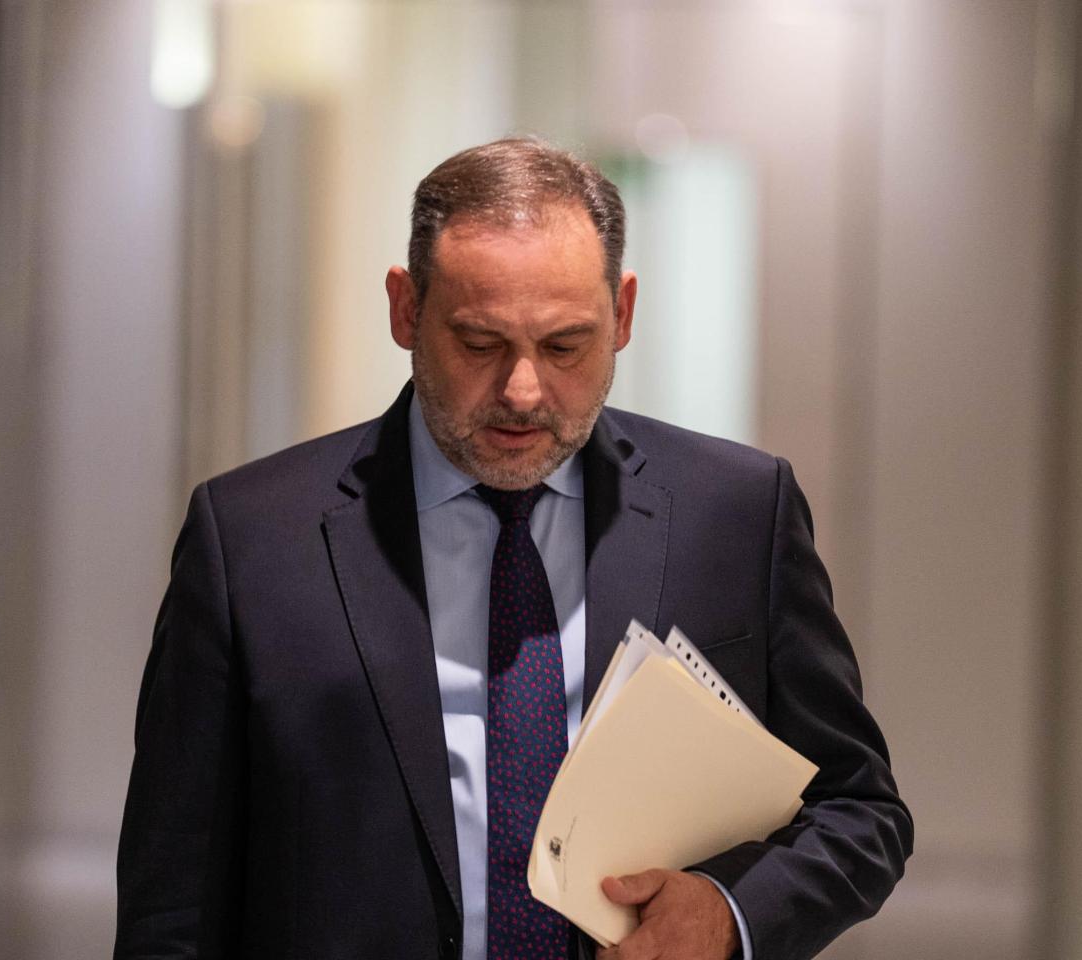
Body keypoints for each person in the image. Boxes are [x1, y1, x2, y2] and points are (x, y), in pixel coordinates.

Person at [115, 138, 911, 960]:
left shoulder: (737, 514)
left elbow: (860, 810)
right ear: (404, 310)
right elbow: (173, 905)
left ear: (624, 315)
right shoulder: (252, 540)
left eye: (565, 346)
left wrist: (728, 915)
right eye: (480, 344)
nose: (524, 391)